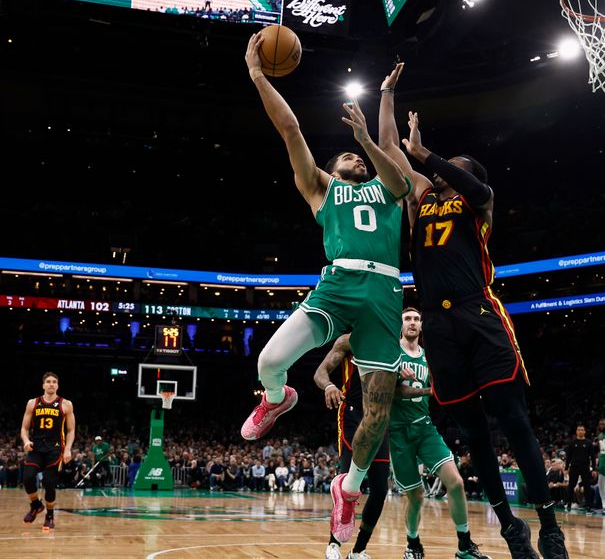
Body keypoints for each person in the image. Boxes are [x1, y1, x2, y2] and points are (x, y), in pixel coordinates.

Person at [378, 63, 568, 558]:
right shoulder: (422, 200)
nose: (439, 174)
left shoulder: (477, 202)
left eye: (451, 167)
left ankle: (549, 524)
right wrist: (388, 95)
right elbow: (393, 151)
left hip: (478, 313)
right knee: (473, 434)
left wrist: (430, 154)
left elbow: (474, 186)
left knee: (513, 419)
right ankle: (509, 526)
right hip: (439, 327)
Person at [240, 33, 410, 543]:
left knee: (378, 411)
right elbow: (290, 129)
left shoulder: (387, 187)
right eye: (349, 156)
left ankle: (348, 490)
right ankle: (278, 397)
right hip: (336, 285)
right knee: (268, 361)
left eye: (359, 157)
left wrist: (374, 122)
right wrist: (257, 76)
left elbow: (397, 167)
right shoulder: (320, 188)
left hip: (383, 294)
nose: (355, 160)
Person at [391, 307, 489, 559]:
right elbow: (395, 392)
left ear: (422, 326)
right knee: (416, 495)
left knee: (455, 483)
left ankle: (464, 546)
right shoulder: (391, 354)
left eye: (416, 319)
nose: (412, 323)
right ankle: (412, 544)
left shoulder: (429, 357)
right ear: (400, 325)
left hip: (424, 427)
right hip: (398, 432)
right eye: (407, 319)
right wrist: (425, 390)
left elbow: (442, 386)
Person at [313, 333, 390, 559]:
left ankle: (358, 550)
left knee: (380, 490)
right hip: (353, 414)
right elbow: (320, 372)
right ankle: (334, 544)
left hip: (380, 416)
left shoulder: (393, 343)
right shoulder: (349, 340)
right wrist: (328, 386)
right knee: (346, 483)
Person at [20, 372, 76, 530]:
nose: (51, 384)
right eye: (48, 381)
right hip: (36, 447)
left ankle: (50, 515)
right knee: (28, 478)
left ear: (57, 385)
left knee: (49, 483)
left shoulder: (66, 404)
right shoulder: (33, 403)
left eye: (54, 382)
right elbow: (24, 428)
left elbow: (71, 430)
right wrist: (26, 441)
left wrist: (68, 450)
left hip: (55, 448)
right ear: (43, 385)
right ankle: (36, 505)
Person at [564, 425, 597, 512]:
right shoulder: (572, 443)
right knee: (571, 486)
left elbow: (593, 457)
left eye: (582, 430)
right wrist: (566, 468)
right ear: (576, 432)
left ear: (585, 432)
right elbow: (568, 457)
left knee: (587, 486)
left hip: (585, 467)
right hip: (574, 467)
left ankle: (589, 505)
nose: (580, 431)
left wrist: (594, 469)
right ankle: (569, 503)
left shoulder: (589, 443)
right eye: (579, 430)